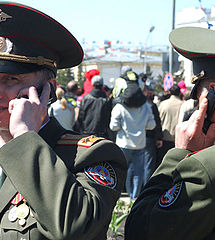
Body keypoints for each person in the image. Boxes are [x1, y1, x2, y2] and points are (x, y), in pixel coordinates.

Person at [0, 2, 127, 240]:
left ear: (48, 89)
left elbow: (75, 229)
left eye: (11, 79)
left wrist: (25, 138)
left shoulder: (92, 155)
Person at [125, 26, 215, 239]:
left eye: (199, 98)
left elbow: (140, 230)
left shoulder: (207, 171)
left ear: (214, 97)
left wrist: (179, 154)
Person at [109, 89, 156, 201]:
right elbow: (151, 125)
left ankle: (119, 194)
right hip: (140, 143)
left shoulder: (119, 107)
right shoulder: (146, 107)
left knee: (122, 170)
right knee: (138, 172)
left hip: (123, 143)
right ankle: (134, 197)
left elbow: (113, 127)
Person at [157, 84, 183, 165]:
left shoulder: (163, 104)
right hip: (177, 138)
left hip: (164, 137)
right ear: (179, 93)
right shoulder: (183, 104)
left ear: (170, 92)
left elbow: (158, 120)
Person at [143, 83, 163, 185]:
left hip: (136, 137)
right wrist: (159, 138)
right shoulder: (151, 105)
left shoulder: (136, 104)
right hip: (149, 137)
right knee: (148, 164)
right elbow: (157, 123)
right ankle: (146, 186)